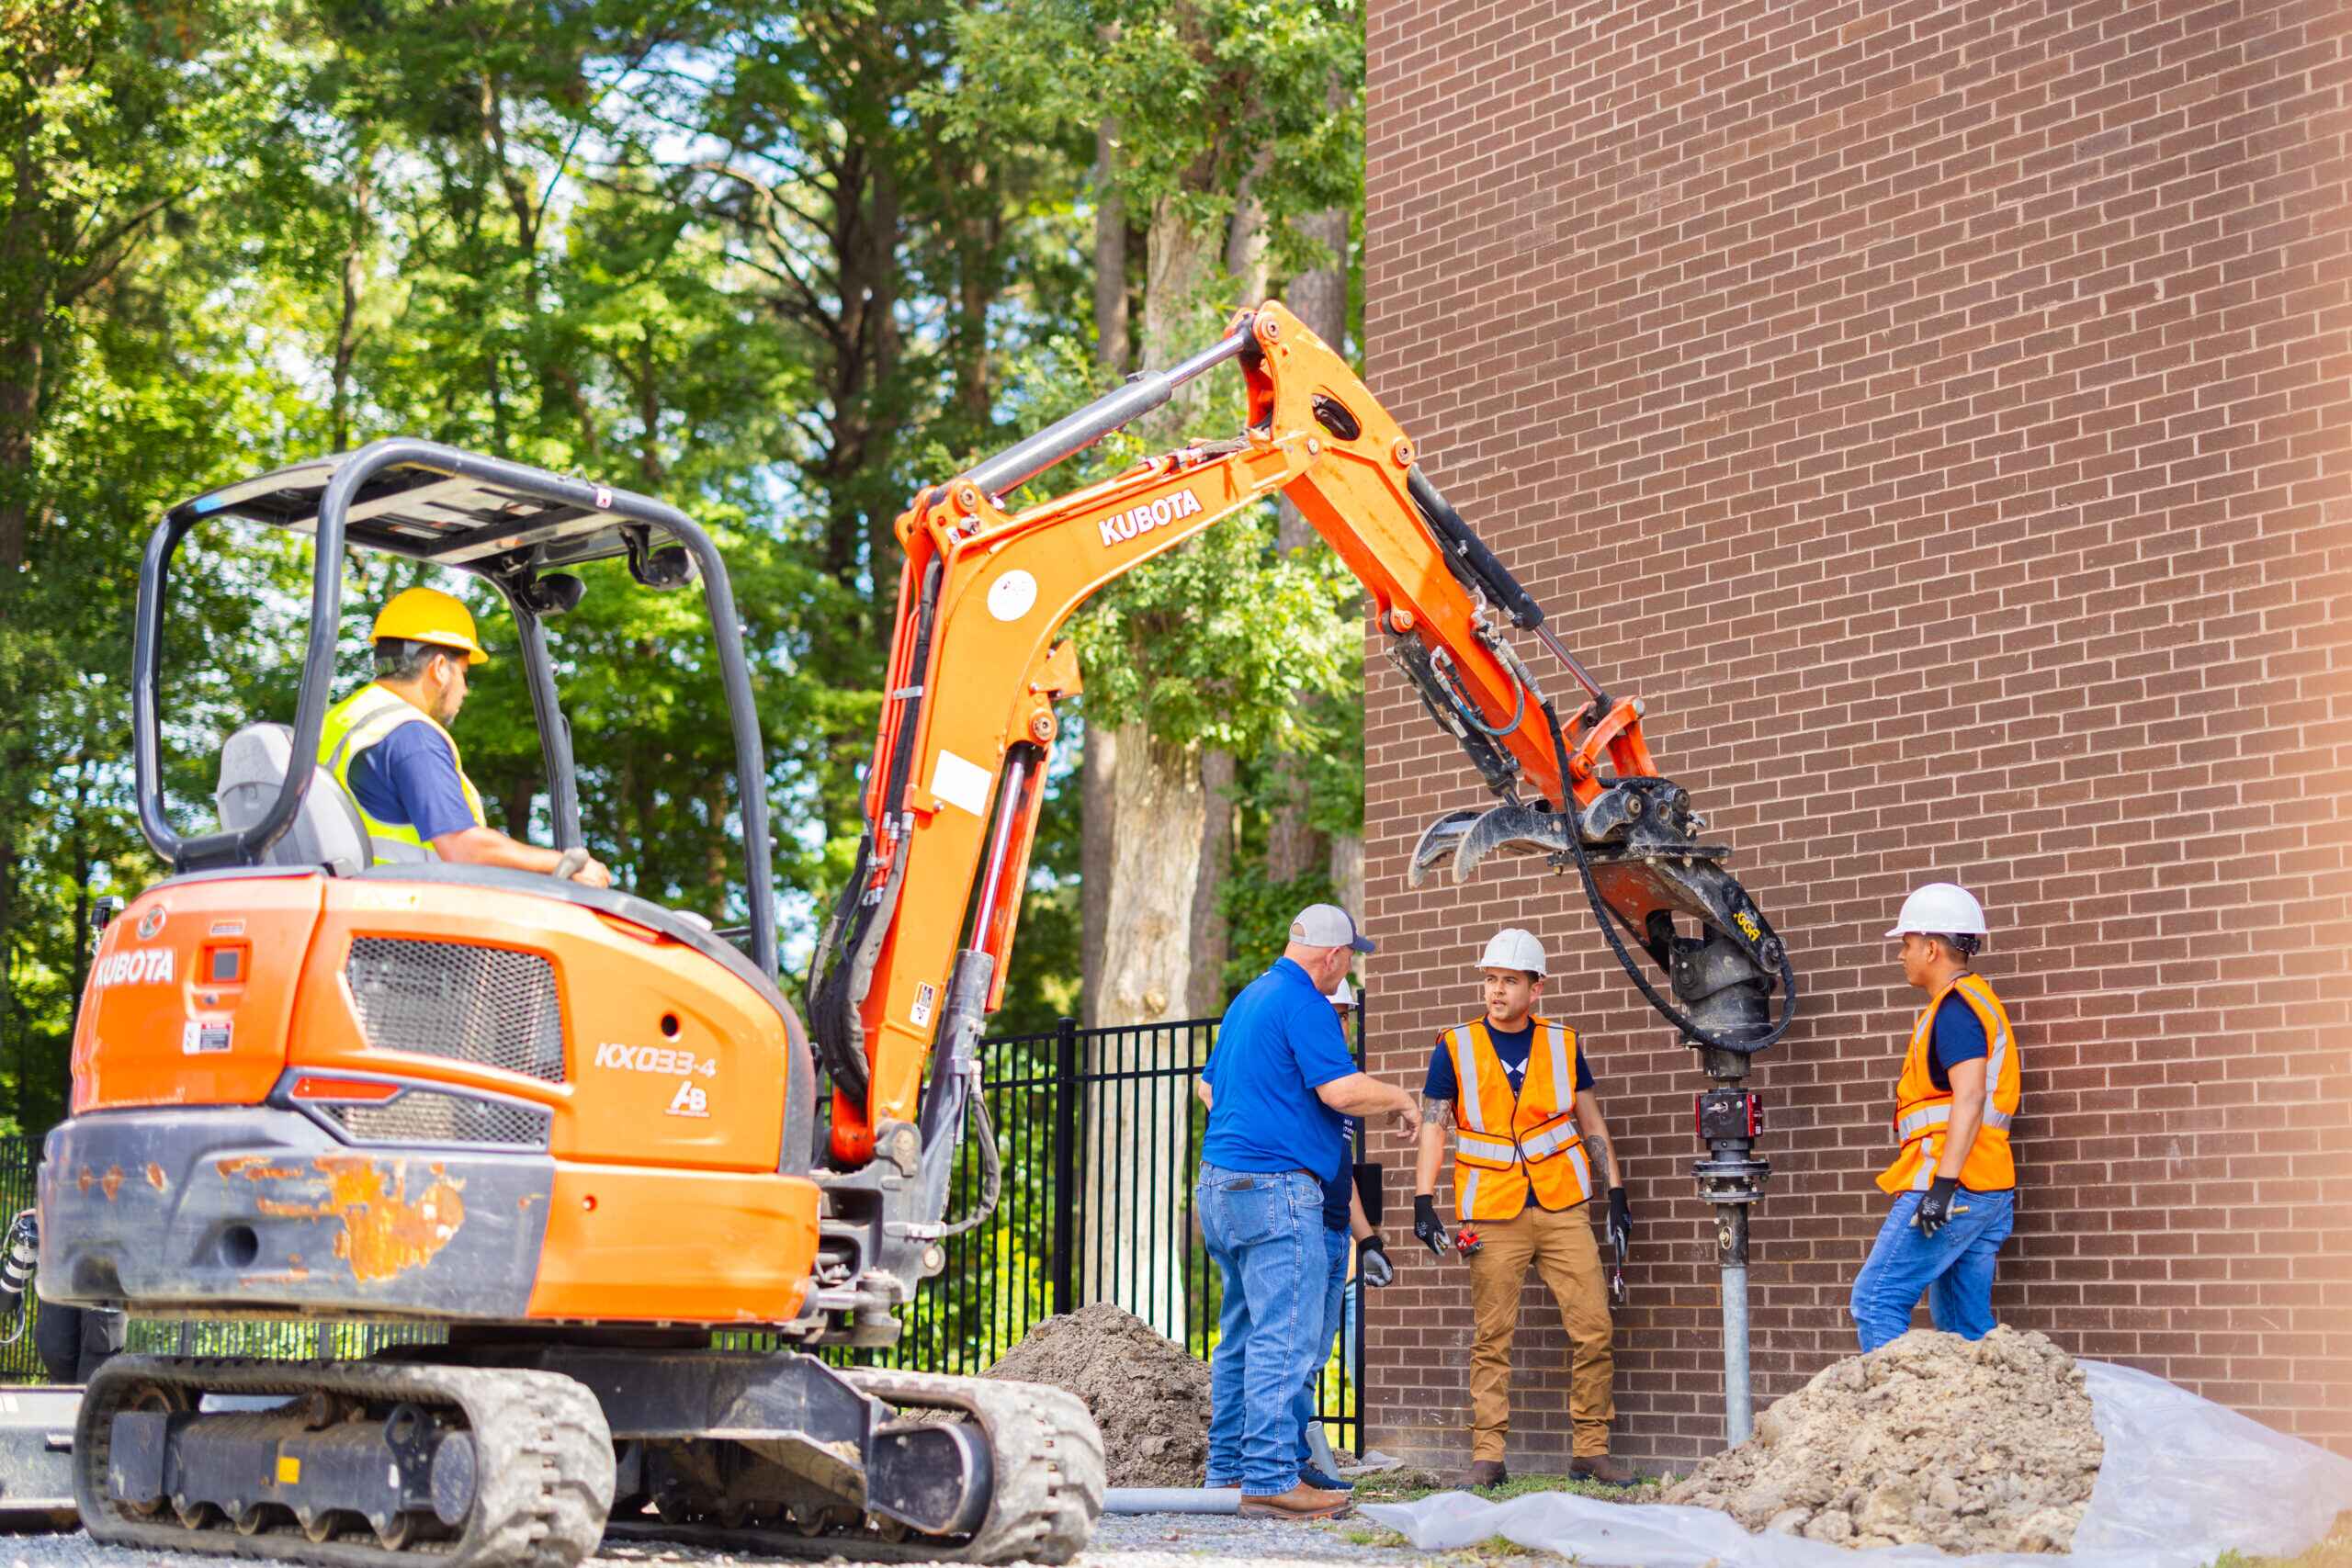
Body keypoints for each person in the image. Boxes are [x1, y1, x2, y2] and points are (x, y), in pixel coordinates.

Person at [1194, 904, 1415, 1520]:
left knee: (1239, 1333)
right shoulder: (1308, 1005)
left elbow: (1206, 1084)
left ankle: (1228, 1471)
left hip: (1220, 1186)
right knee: (1283, 1336)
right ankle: (1268, 1474)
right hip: (1275, 1190)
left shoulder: (1249, 999)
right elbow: (1339, 1091)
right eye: (1350, 955)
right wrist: (1401, 1098)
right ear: (1334, 955)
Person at [1412, 928, 1634, 1488]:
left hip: (1563, 1205)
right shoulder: (1455, 1046)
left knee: (1594, 1329)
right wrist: (1422, 1199)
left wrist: (1617, 1193)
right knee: (1492, 1338)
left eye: (1509, 980)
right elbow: (1435, 1130)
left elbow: (1593, 1124)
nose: (1496, 990)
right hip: (1491, 1209)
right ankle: (1487, 1458)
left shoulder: (1563, 1043)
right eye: (1490, 979)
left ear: (1537, 988)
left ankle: (1591, 1451)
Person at [322, 587, 609, 886]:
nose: (465, 690)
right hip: (402, 916)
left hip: (353, 906)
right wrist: (565, 863)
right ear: (440, 669)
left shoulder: (339, 722)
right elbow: (464, 848)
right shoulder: (410, 736)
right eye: (464, 673)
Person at [1849, 882, 2020, 1351]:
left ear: (1931, 948)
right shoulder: (1973, 1003)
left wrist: (1941, 1189)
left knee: (1877, 1298)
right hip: (1986, 1186)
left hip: (1954, 1186)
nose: (1901, 956)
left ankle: (1896, 1420)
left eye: (1905, 945)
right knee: (1964, 1328)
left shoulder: (1955, 1011)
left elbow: (1968, 1098)